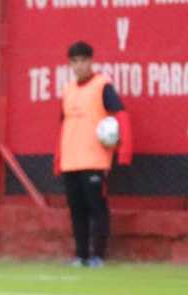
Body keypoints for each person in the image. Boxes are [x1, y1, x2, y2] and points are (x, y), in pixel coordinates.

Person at [54, 41, 134, 268]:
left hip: (94, 160)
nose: (79, 66)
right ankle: (80, 256)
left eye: (83, 61)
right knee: (76, 210)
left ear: (91, 62)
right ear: (70, 64)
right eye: (75, 62)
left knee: (96, 208)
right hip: (71, 160)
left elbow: (121, 115)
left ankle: (98, 255)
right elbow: (63, 126)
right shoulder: (68, 90)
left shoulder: (102, 86)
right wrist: (58, 159)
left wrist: (124, 149)